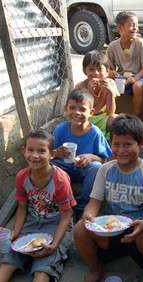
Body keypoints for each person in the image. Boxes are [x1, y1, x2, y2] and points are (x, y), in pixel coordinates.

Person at [73, 114, 143, 282]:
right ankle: (95, 270)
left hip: (139, 229)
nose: (121, 150)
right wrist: (89, 215)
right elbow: (94, 203)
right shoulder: (106, 170)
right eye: (116, 144)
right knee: (81, 228)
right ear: (110, 144)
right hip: (110, 229)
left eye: (128, 144)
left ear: (141, 143)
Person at [0, 129, 77, 282]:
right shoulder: (22, 176)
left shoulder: (60, 180)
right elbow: (22, 207)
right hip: (32, 220)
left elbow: (65, 217)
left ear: (52, 154)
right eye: (30, 150)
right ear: (24, 151)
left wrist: (55, 245)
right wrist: (15, 232)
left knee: (42, 270)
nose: (34, 156)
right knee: (8, 263)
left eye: (41, 151)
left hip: (56, 223)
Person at [51, 88, 112, 217]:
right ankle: (61, 203)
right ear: (66, 108)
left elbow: (104, 160)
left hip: (84, 170)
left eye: (82, 109)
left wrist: (91, 157)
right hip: (64, 167)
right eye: (72, 108)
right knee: (50, 167)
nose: (76, 112)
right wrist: (56, 153)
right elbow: (50, 155)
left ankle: (83, 206)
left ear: (91, 112)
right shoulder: (60, 129)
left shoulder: (95, 133)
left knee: (97, 168)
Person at [106, 11, 143, 117]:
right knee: (107, 84)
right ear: (120, 27)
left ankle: (135, 115)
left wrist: (135, 78)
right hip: (121, 78)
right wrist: (112, 72)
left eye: (137, 25)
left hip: (138, 76)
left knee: (137, 87)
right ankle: (109, 113)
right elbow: (107, 66)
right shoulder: (113, 46)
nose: (135, 28)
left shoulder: (140, 44)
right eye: (131, 25)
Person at [75, 50, 120, 139]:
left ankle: (109, 143)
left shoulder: (110, 83)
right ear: (85, 71)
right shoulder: (80, 86)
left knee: (115, 118)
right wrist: (89, 92)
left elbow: (110, 112)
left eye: (100, 69)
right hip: (86, 118)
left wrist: (110, 92)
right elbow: (81, 109)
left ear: (107, 70)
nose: (96, 73)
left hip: (103, 118)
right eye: (91, 69)